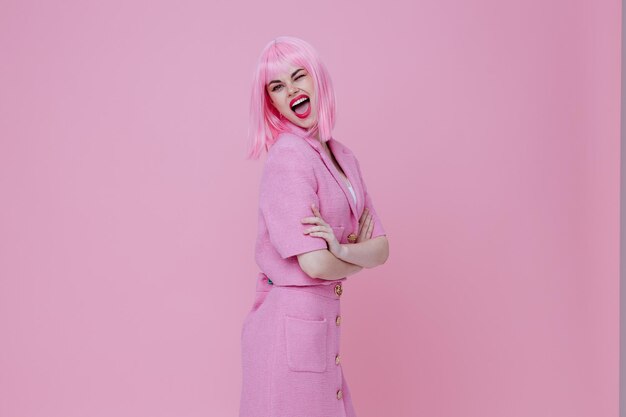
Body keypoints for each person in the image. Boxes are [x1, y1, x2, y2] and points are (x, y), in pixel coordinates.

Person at [239, 36, 389, 417]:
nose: (291, 91)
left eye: (298, 76)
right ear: (270, 101)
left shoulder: (343, 157)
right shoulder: (288, 158)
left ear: (316, 79)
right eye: (277, 86)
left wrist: (338, 251)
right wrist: (356, 259)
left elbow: (383, 248)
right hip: (288, 329)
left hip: (318, 331)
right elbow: (315, 265)